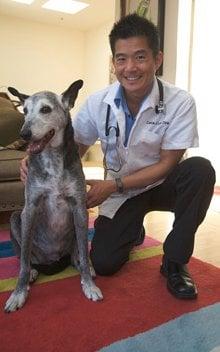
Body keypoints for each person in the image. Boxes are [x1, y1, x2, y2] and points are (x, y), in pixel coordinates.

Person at [21, 14, 215, 299]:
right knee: (104, 263)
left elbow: (167, 163)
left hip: (161, 184)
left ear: (157, 59)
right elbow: (74, 147)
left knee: (200, 170)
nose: (130, 68)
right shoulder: (99, 103)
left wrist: (113, 185)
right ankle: (132, 229)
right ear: (113, 64)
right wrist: (37, 158)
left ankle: (175, 262)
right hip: (124, 195)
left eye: (140, 57)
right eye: (121, 59)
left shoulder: (179, 102)